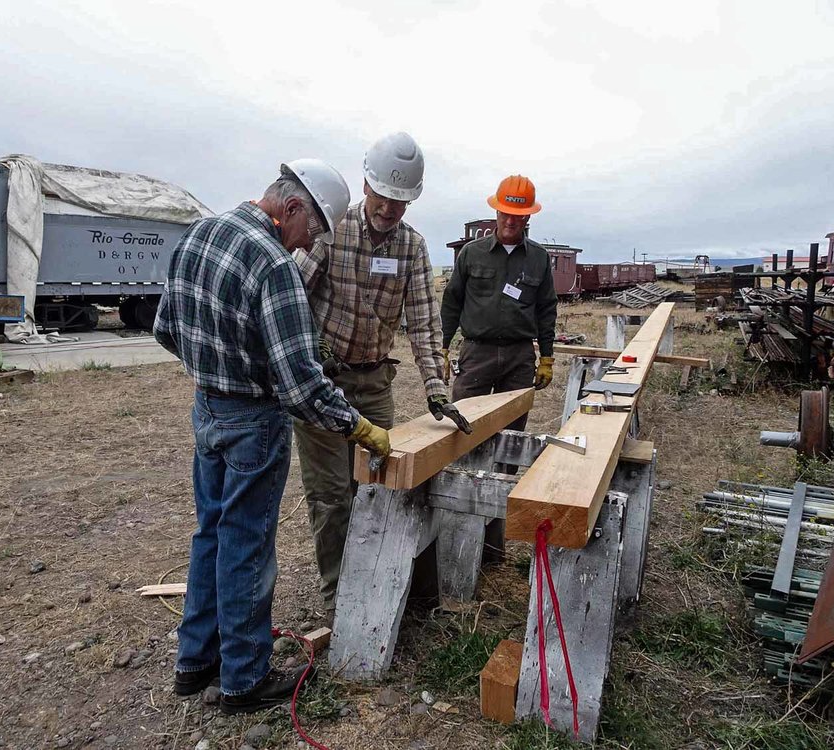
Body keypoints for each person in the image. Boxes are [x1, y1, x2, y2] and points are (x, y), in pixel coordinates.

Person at [153, 159, 391, 714]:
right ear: (291, 210)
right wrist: (357, 425)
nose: (309, 246)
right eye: (312, 233)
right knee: (247, 546)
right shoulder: (273, 266)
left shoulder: (201, 233)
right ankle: (243, 678)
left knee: (211, 533)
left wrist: (215, 370)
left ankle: (195, 663)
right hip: (253, 424)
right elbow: (302, 384)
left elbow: (166, 328)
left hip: (206, 410)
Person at [292, 132, 472, 618]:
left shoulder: (412, 248)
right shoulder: (331, 230)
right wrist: (311, 347)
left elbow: (424, 321)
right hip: (322, 385)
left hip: (374, 388)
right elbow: (291, 293)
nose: (389, 210)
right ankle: (338, 598)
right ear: (366, 184)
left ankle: (378, 578)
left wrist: (437, 389)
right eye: (383, 198)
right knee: (331, 497)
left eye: (401, 203)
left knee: (377, 487)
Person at [440, 174, 558, 432]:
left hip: (520, 357)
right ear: (496, 211)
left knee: (512, 431)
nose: (510, 220)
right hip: (477, 352)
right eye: (505, 213)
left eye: (518, 215)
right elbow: (452, 302)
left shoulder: (539, 258)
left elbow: (546, 309)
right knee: (463, 425)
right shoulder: (472, 253)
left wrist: (547, 358)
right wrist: (443, 347)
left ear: (528, 217)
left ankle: (505, 471)